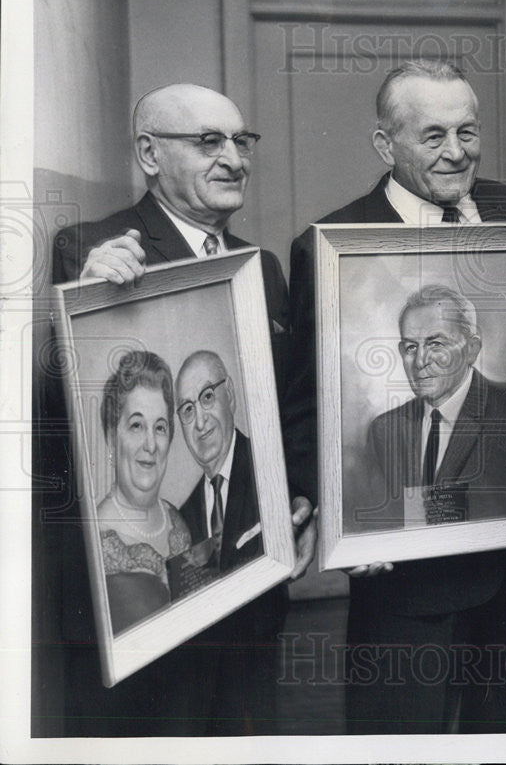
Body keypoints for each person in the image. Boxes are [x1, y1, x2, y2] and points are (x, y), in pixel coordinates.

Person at [44, 83, 316, 735]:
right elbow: (59, 413)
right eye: (207, 141)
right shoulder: (92, 249)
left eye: (240, 140)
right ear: (148, 153)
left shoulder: (264, 268)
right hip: (151, 622)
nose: (234, 157)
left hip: (251, 600)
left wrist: (299, 499)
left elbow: (285, 407)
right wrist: (81, 298)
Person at [283, 59, 506, 734]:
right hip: (399, 576)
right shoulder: (329, 245)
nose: (457, 151)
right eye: (433, 136)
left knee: (503, 727)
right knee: (399, 732)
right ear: (384, 144)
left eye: (468, 130)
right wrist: (344, 515)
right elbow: (310, 406)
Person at [345, 286, 506, 729]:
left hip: (493, 611)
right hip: (405, 610)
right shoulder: (385, 428)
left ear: (472, 348)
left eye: (435, 344)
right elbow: (378, 514)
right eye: (409, 347)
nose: (420, 360)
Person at [97, 350, 192, 635]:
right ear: (113, 438)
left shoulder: (179, 521)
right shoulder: (95, 539)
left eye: (160, 428)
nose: (151, 444)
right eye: (137, 425)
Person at [176, 350, 263, 573]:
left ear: (230, 395)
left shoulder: (266, 466)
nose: (199, 422)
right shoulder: (183, 517)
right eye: (187, 410)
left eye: (207, 397)